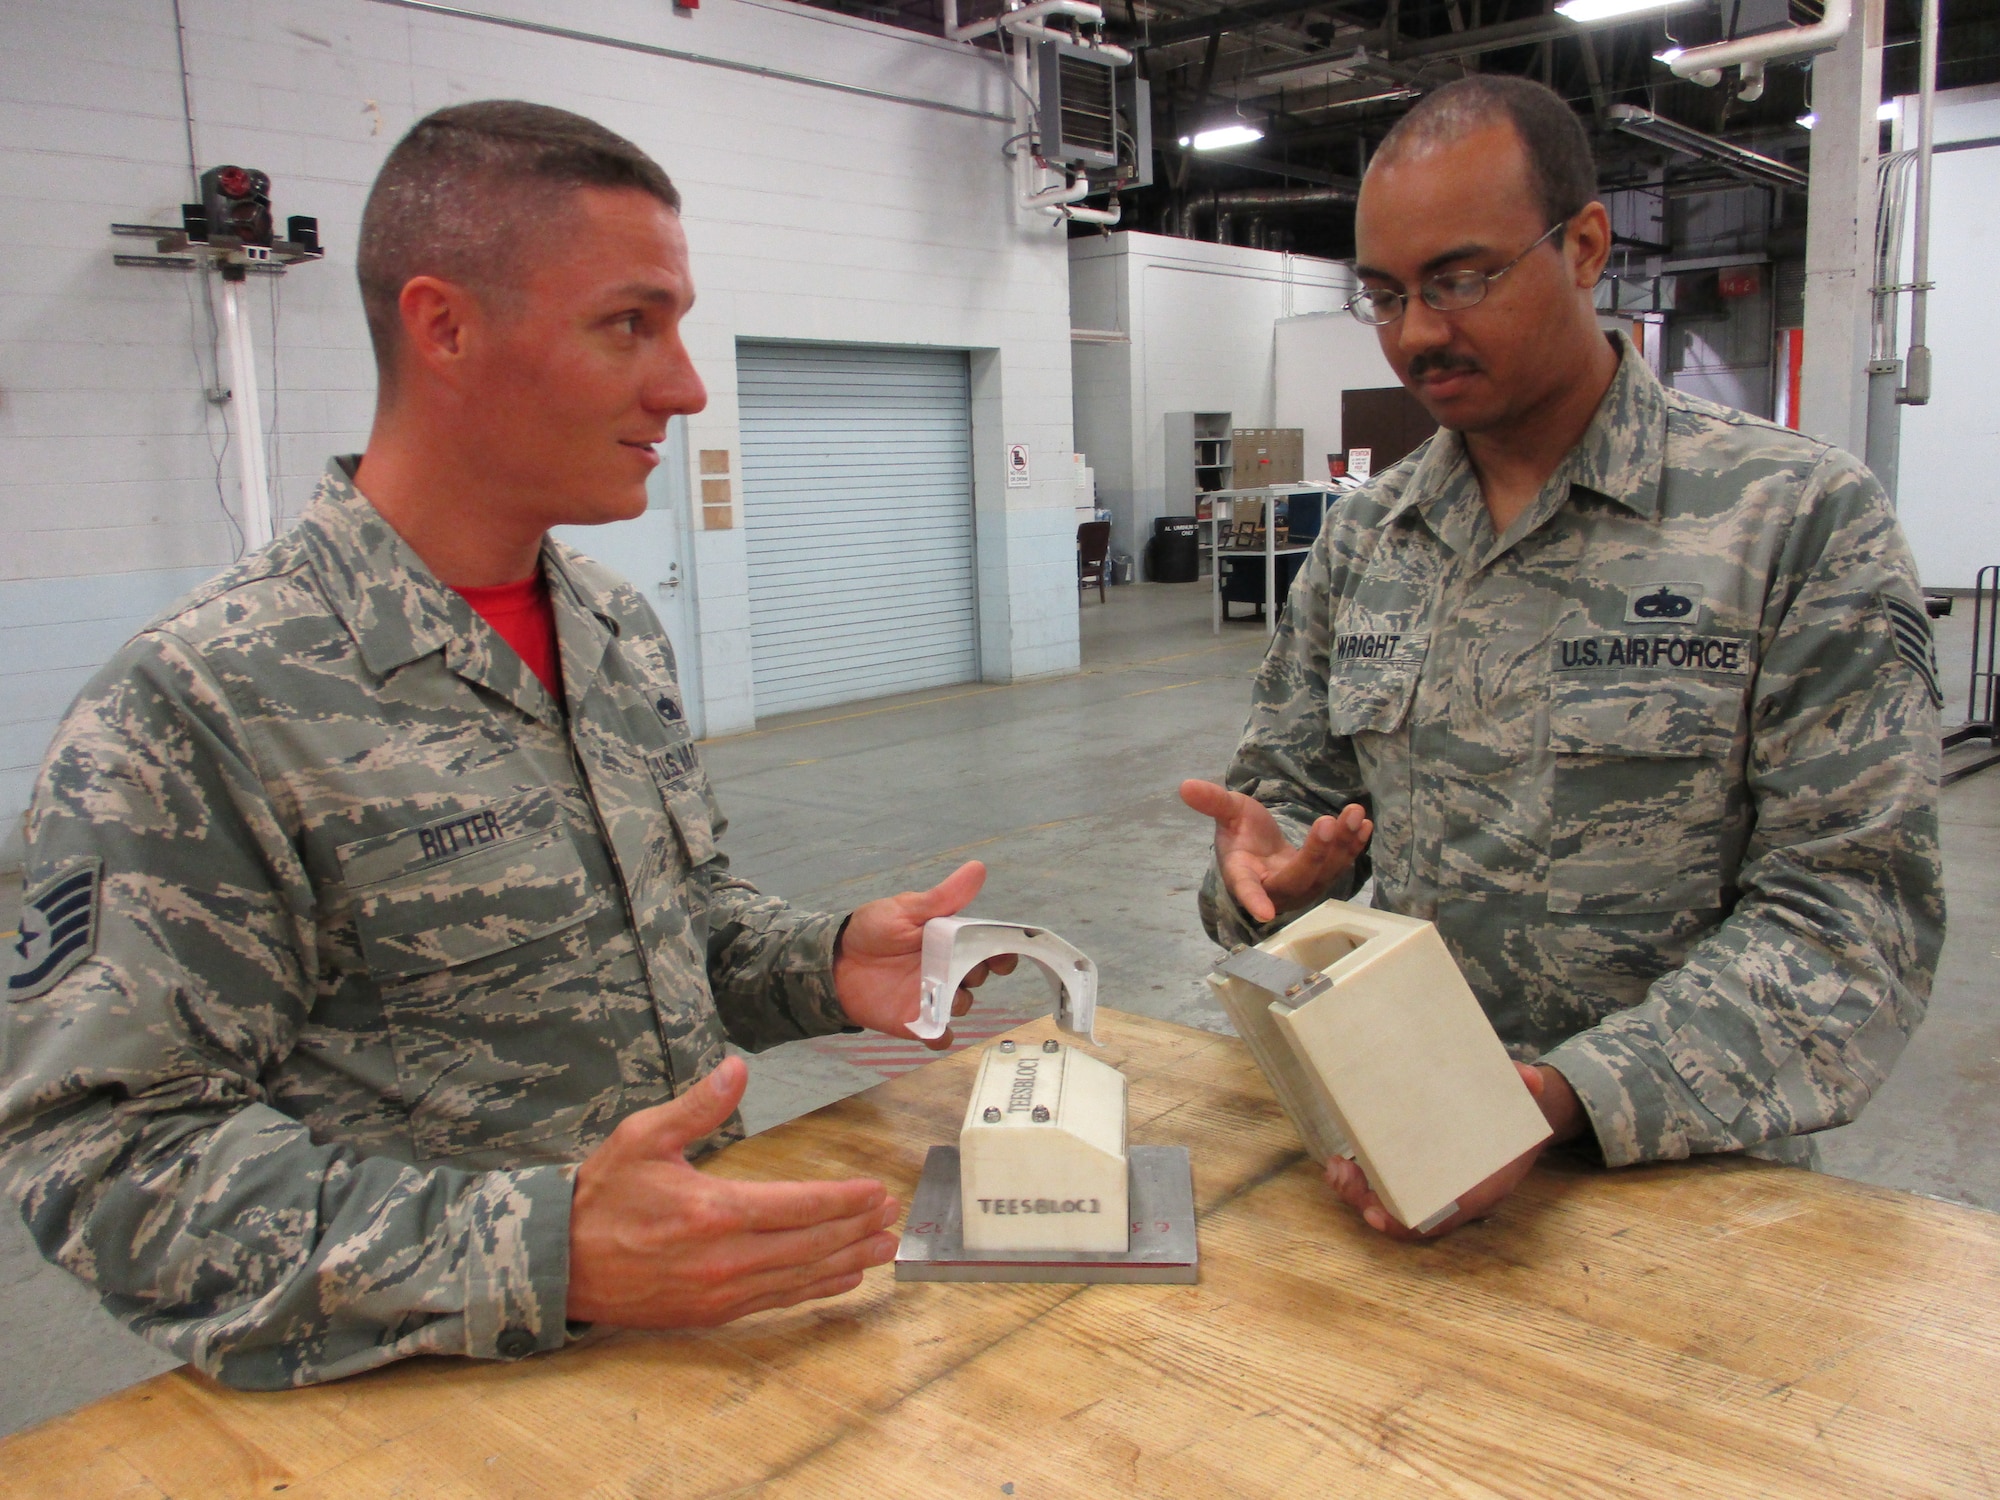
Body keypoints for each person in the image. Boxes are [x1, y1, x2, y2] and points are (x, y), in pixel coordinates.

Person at [0, 101, 1014, 1389]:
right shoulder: (204, 703)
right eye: (628, 324)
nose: (687, 385)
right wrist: (546, 1251)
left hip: (705, 1344)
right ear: (446, 327)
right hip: (437, 1399)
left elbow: (668, 925)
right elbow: (102, 1163)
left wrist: (819, 964)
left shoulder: (610, 630)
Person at [1182, 75, 1945, 1240]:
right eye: (1384, 295)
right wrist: (1268, 890)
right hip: (1397, 1161)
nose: (1417, 333)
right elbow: (1282, 815)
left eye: (1461, 279)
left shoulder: (1792, 519)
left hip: (1688, 1186)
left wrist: (1556, 1101)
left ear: (1584, 246)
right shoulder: (1365, 540)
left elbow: (1850, 913)